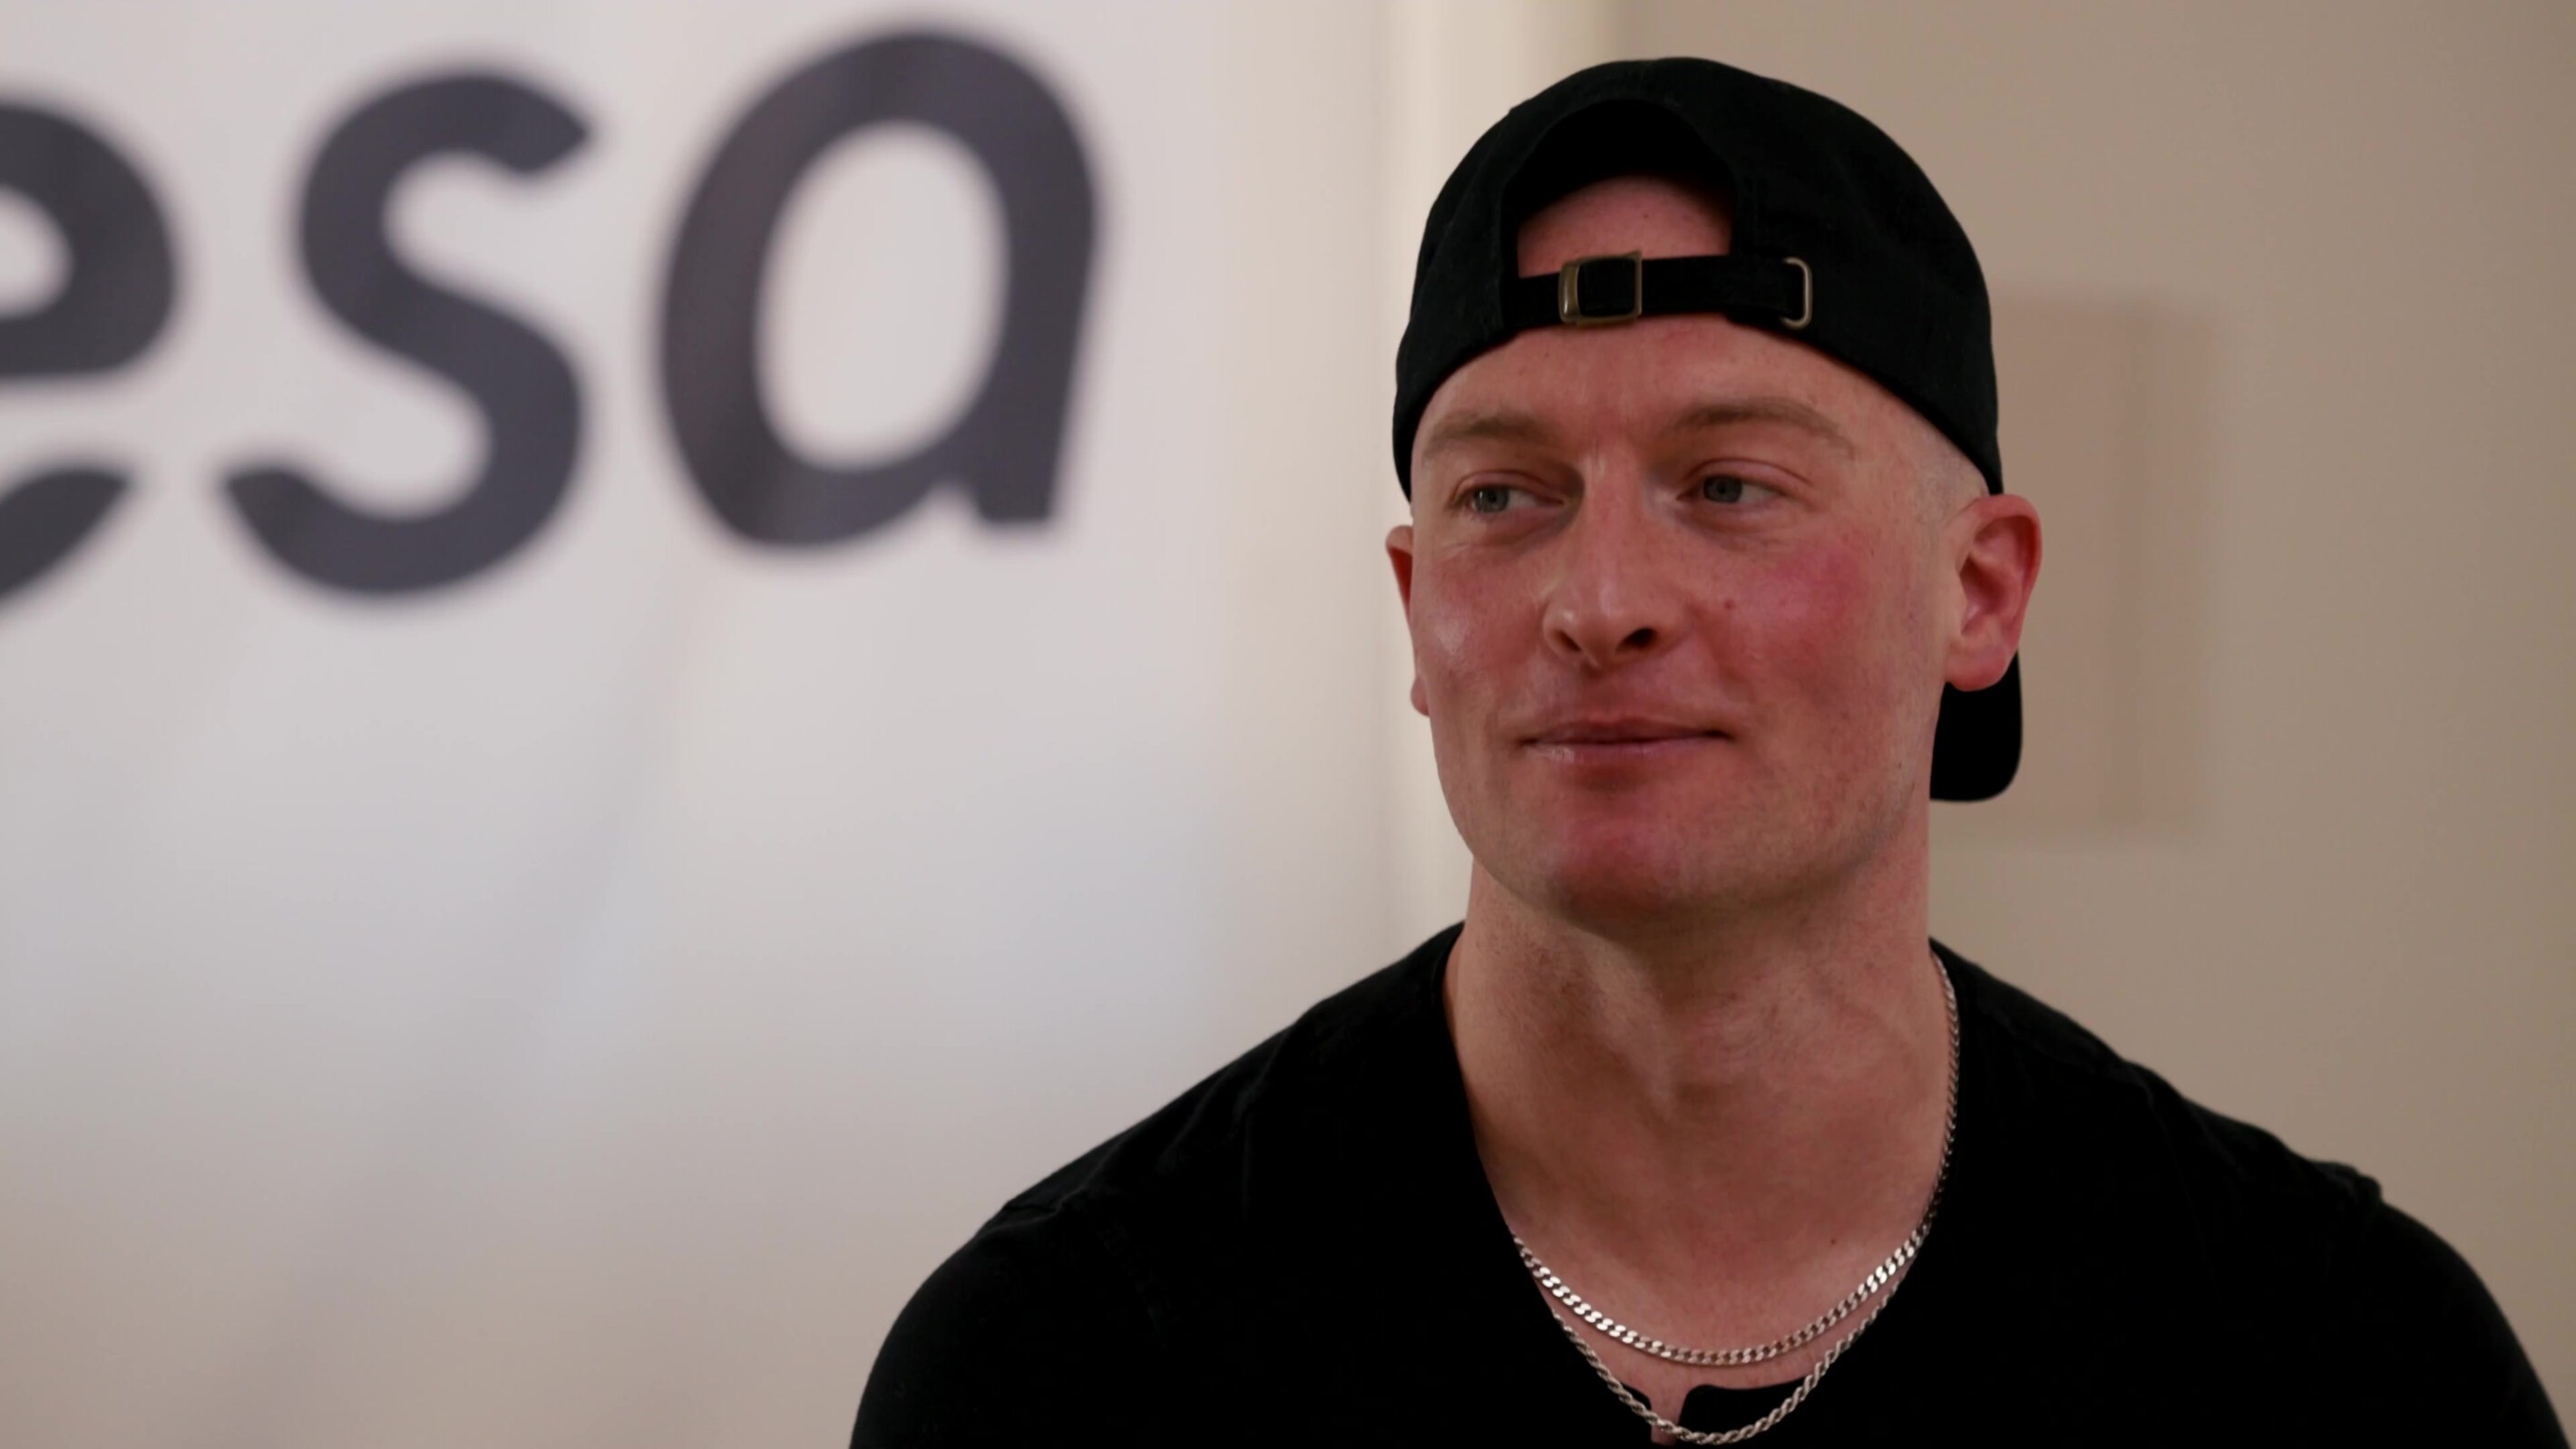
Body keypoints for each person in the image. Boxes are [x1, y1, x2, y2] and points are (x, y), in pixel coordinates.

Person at [853, 57, 2564, 1445]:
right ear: (1416, 610)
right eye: (1504, 496)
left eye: (1731, 483)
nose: (1600, 602)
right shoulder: (1076, 1362)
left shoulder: (2332, 1364)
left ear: (1979, 593)